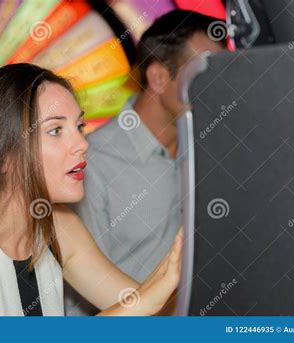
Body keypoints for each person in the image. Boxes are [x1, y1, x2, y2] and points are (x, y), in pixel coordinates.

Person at [0, 63, 183, 316]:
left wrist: (176, 271)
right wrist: (147, 300)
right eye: (56, 130)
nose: (82, 144)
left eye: (79, 127)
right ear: (3, 154)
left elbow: (141, 308)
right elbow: (140, 305)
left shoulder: (59, 224)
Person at [66, 10, 226, 315]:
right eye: (204, 72)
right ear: (158, 77)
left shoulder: (206, 150)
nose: (219, 86)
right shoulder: (93, 163)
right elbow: (81, 301)